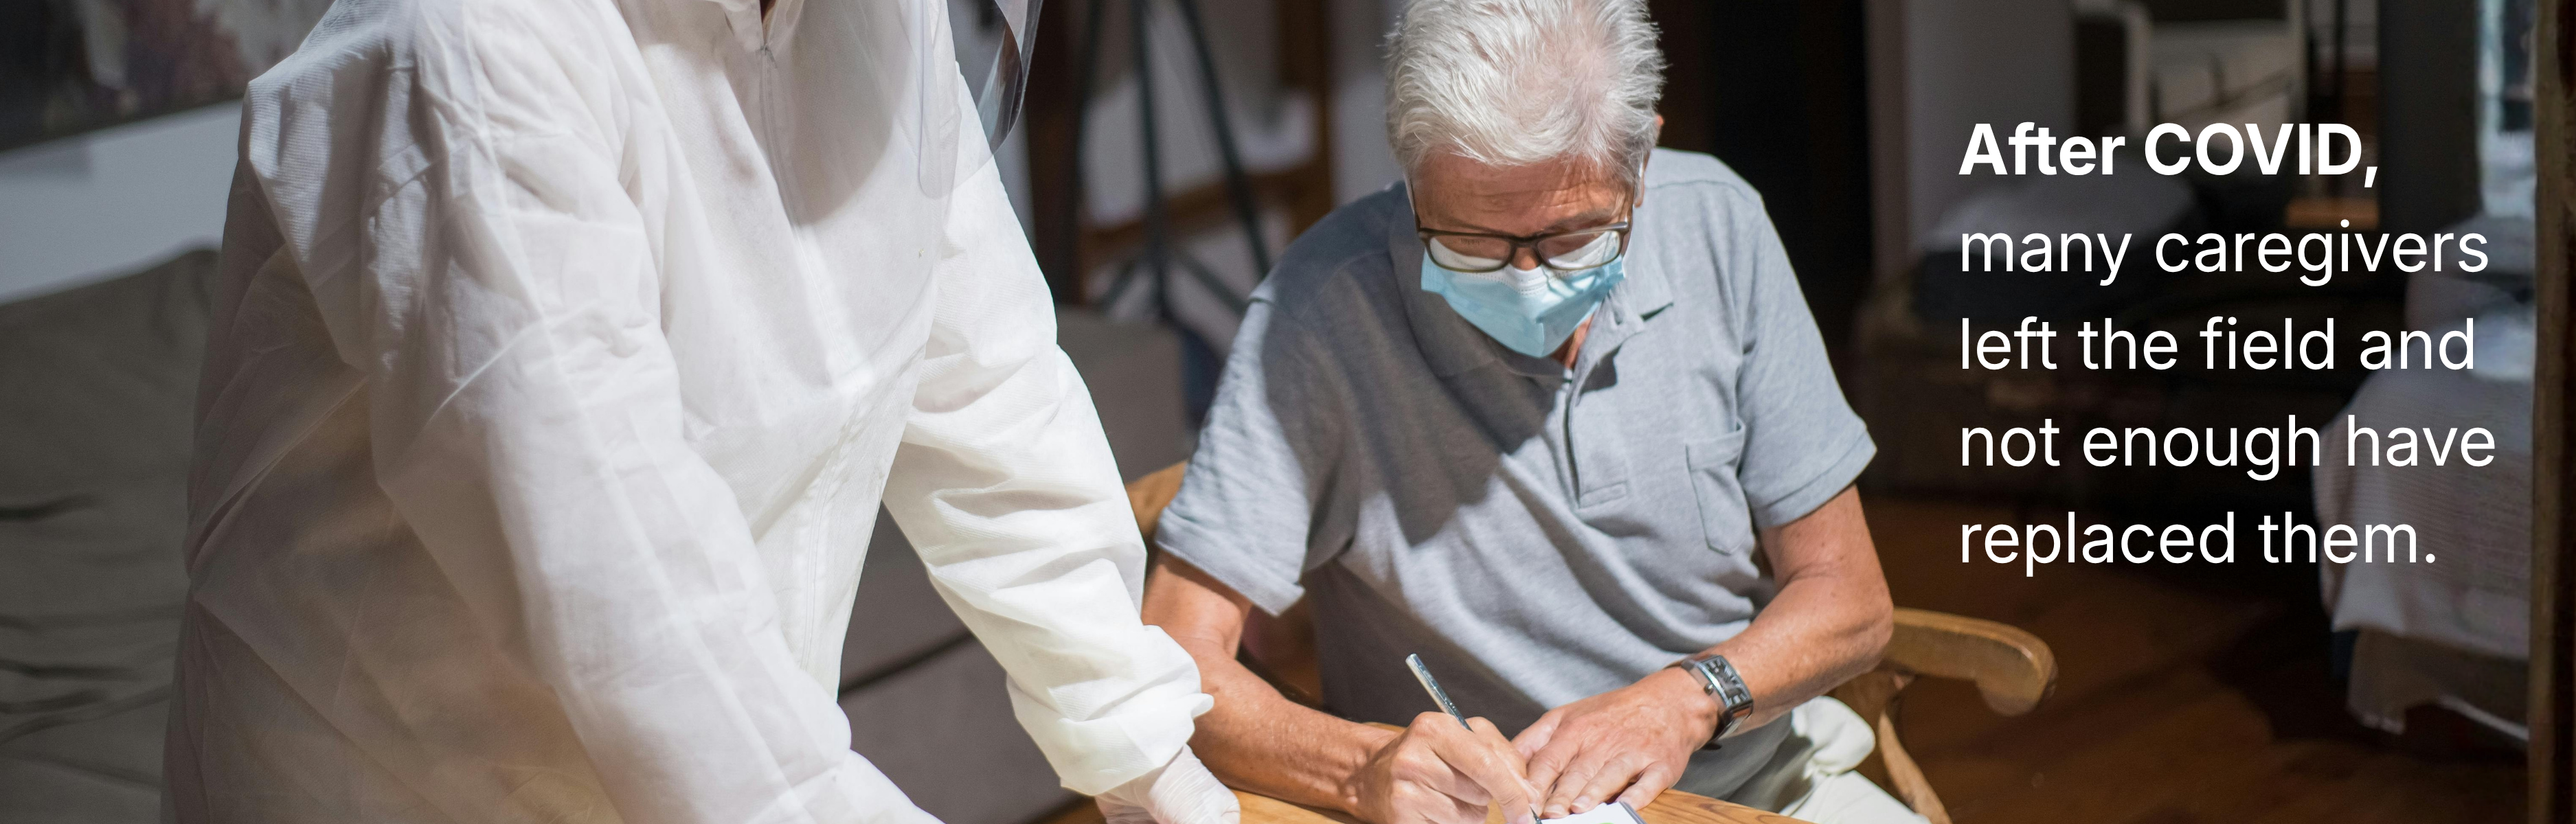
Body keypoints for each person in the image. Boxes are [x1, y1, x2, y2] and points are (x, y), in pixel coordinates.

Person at [166, 1, 1235, 823]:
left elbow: (988, 389)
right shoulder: (472, 49)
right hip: (409, 785)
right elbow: (630, 596)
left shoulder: (869, 18)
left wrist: (1144, 749)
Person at [1138, 1, 1921, 823]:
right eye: (1471, 242)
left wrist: (1688, 700)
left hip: (1762, 790)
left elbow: (1850, 600)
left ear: (1643, 161)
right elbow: (1175, 659)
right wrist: (1361, 769)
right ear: (1412, 175)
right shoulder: (1320, 312)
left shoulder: (1717, 224)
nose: (1526, 281)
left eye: (1573, 238)